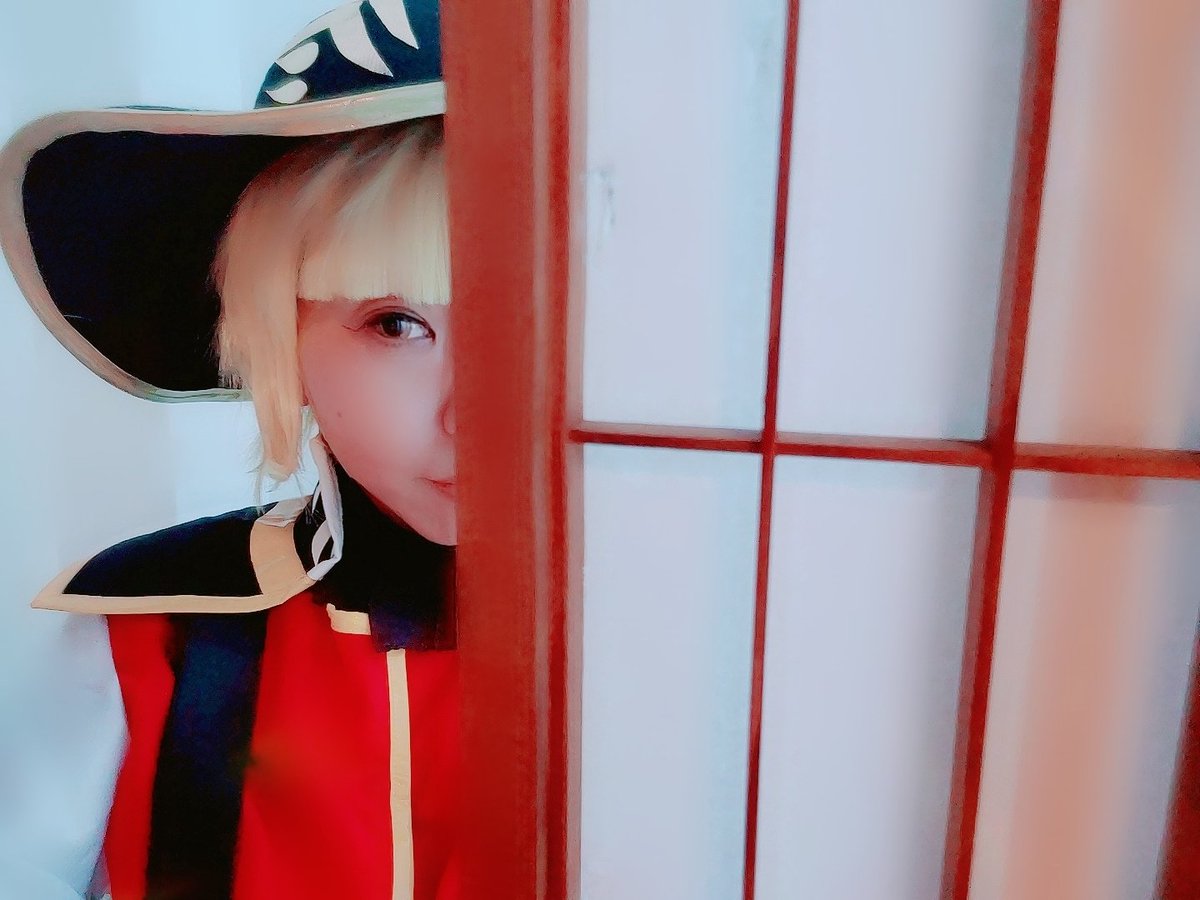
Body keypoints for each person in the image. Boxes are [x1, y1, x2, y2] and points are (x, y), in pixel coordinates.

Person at [0, 2, 460, 897]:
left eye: (544, 318)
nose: (465, 414)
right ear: (280, 335)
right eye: (395, 323)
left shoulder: (727, 638)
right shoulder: (146, 636)